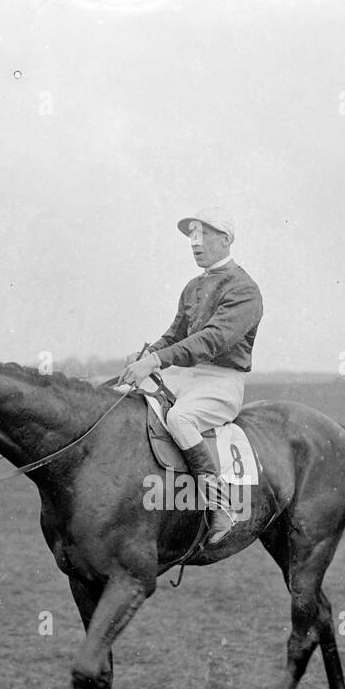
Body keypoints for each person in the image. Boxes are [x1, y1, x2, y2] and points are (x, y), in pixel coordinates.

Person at [121, 209, 262, 544]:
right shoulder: (192, 287)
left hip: (222, 381)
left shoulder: (244, 289)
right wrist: (147, 356)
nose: (195, 244)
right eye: (192, 237)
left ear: (226, 240)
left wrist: (155, 360)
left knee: (180, 418)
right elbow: (175, 335)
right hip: (187, 376)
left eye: (204, 236)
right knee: (126, 392)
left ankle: (220, 507)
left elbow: (211, 340)